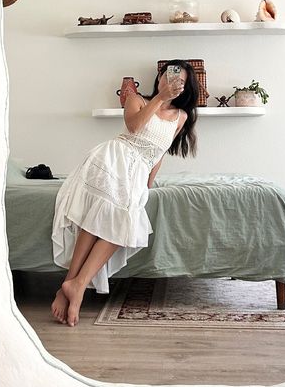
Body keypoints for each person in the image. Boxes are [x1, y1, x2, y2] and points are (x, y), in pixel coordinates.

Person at [50, 60, 199, 327]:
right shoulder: (137, 99)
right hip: (114, 159)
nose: (172, 81)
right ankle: (73, 285)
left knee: (123, 221)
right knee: (103, 213)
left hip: (138, 171)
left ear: (185, 87)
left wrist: (148, 184)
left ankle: (75, 285)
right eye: (168, 75)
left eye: (179, 79)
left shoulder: (181, 117)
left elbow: (158, 154)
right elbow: (134, 127)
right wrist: (160, 98)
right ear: (160, 79)